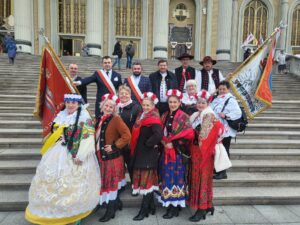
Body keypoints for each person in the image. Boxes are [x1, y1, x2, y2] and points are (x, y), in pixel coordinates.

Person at [25, 94, 100, 225]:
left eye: (73, 103)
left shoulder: (84, 117)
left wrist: (80, 155)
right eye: (68, 102)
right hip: (58, 150)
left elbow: (88, 138)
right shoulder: (61, 115)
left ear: (78, 104)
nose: (70, 105)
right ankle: (52, 210)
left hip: (75, 153)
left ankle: (74, 213)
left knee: (74, 182)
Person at [188, 90, 224, 222]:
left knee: (202, 179)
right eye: (198, 102)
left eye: (203, 102)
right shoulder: (198, 115)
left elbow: (204, 135)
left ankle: (202, 209)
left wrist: (189, 134)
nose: (200, 105)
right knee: (200, 178)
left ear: (208, 103)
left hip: (203, 152)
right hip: (196, 151)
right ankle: (208, 205)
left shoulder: (208, 114)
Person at [157, 89, 194, 219]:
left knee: (176, 178)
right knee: (167, 177)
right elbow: (160, 132)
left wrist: (174, 143)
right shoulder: (164, 115)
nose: (172, 104)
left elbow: (189, 134)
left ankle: (175, 206)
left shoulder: (184, 116)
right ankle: (170, 202)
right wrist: (163, 142)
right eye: (170, 102)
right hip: (165, 151)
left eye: (175, 102)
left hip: (177, 153)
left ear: (179, 102)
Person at [95, 94, 131, 222]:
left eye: (111, 106)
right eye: (107, 105)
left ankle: (110, 211)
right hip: (102, 158)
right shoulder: (99, 118)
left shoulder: (116, 119)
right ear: (102, 106)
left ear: (114, 108)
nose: (108, 108)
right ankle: (116, 203)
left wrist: (115, 146)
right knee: (106, 183)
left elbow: (127, 135)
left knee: (110, 184)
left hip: (112, 158)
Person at [130, 92, 163, 220]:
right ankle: (151, 207)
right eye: (144, 104)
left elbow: (158, 134)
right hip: (140, 154)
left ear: (153, 105)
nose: (145, 107)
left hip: (147, 155)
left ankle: (143, 211)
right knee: (145, 183)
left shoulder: (154, 117)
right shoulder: (141, 115)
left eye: (148, 105)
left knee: (146, 183)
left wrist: (148, 143)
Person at [210, 80, 242, 179]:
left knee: (224, 149)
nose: (222, 91)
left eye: (224, 89)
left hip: (225, 130)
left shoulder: (231, 99)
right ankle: (217, 169)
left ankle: (223, 172)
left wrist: (226, 115)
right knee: (217, 150)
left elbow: (238, 113)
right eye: (220, 89)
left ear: (228, 89)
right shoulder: (216, 98)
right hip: (215, 128)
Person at [118, 85, 142, 182]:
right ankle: (121, 184)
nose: (124, 95)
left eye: (126, 93)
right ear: (118, 95)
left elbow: (138, 125)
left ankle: (134, 184)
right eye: (121, 93)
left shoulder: (136, 107)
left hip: (130, 141)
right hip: (118, 141)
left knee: (131, 164)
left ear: (130, 94)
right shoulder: (116, 107)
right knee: (120, 164)